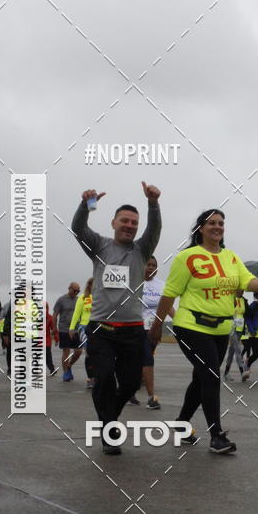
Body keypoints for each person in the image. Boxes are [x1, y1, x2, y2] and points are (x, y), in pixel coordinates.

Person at [150, 209, 258, 454]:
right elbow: (169, 294)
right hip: (190, 326)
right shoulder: (187, 258)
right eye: (212, 223)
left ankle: (180, 424)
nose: (217, 226)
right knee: (211, 375)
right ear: (201, 228)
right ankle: (216, 435)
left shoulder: (230, 258)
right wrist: (157, 327)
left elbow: (247, 280)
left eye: (221, 223)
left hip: (221, 328)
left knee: (202, 378)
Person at [72, 183, 162, 455]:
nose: (130, 226)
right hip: (102, 328)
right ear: (113, 222)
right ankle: (110, 429)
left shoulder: (142, 250)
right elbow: (78, 228)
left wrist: (153, 204)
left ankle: (109, 417)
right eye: (125, 220)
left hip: (133, 330)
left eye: (134, 222)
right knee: (104, 379)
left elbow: (154, 229)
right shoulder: (99, 245)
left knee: (132, 383)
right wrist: (86, 204)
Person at [129, 256, 175, 408]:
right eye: (147, 264)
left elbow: (167, 306)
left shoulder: (161, 285)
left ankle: (129, 392)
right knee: (148, 359)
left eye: (153, 265)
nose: (150, 267)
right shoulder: (133, 283)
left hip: (155, 329)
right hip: (137, 328)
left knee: (138, 362)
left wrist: (179, 320)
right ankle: (151, 398)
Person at [53, 283, 83, 381]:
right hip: (64, 329)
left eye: (78, 291)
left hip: (76, 329)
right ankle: (66, 373)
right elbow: (55, 314)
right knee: (66, 351)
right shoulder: (61, 300)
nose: (76, 292)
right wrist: (54, 328)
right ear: (69, 288)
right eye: (75, 290)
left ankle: (69, 365)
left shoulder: (79, 300)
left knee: (79, 351)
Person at [69, 278, 94, 389]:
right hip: (84, 327)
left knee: (97, 353)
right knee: (88, 352)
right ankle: (90, 378)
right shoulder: (83, 298)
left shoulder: (102, 297)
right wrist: (71, 328)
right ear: (88, 285)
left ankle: (97, 376)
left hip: (98, 327)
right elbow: (76, 314)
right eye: (91, 284)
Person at [223, 289, 249, 381]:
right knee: (238, 349)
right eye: (240, 290)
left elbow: (246, 315)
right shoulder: (230, 299)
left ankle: (226, 373)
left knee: (231, 351)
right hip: (231, 328)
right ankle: (243, 372)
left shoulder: (244, 301)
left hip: (240, 329)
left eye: (243, 290)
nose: (242, 292)